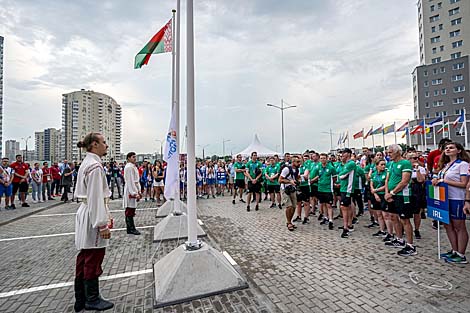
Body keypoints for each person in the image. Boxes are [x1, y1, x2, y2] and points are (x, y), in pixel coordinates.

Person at [73, 132, 114, 311]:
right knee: (93, 257)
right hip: (92, 213)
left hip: (86, 210)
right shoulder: (95, 166)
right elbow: (96, 197)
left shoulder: (88, 163)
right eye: (104, 142)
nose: (107, 145)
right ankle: (92, 298)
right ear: (94, 145)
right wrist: (102, 224)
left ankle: (81, 299)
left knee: (85, 256)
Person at [433, 142, 469, 264]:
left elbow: (464, 184)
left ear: (459, 150)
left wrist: (444, 181)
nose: (448, 149)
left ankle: (461, 254)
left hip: (457, 198)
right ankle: (454, 250)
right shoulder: (446, 165)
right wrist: (436, 180)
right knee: (448, 225)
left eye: (451, 148)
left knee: (459, 227)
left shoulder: (463, 164)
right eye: (446, 148)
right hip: (444, 199)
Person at [385, 144, 416, 256]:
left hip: (403, 195)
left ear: (398, 152)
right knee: (393, 217)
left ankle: (410, 245)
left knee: (405, 220)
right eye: (388, 153)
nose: (388, 155)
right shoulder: (391, 163)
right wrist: (387, 193)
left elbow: (404, 181)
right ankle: (399, 239)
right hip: (392, 195)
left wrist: (392, 193)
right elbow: (387, 179)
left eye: (390, 152)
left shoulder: (405, 163)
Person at [310, 153, 337, 230]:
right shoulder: (318, 167)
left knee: (329, 205)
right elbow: (316, 175)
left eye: (324, 158)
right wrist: (312, 180)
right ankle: (325, 217)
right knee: (323, 204)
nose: (322, 160)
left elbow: (335, 178)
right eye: (321, 158)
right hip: (320, 188)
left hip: (328, 189)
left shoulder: (331, 168)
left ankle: (331, 220)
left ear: (327, 158)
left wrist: (332, 184)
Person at [338, 148, 356, 238]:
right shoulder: (346, 164)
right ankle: (348, 225)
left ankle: (346, 228)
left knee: (344, 207)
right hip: (343, 188)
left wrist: (340, 176)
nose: (341, 156)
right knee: (346, 207)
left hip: (347, 189)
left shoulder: (351, 164)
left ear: (348, 154)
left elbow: (341, 176)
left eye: (343, 154)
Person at [279, 155, 300, 231]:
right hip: (285, 189)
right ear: (293, 162)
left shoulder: (297, 169)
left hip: (292, 189)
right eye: (297, 162)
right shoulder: (286, 169)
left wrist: (299, 180)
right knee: (289, 206)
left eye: (299, 161)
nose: (299, 163)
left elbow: (297, 177)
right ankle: (288, 222)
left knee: (294, 206)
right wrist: (289, 181)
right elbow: (280, 180)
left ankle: (290, 221)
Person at [123, 152, 141, 235]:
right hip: (130, 189)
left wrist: (139, 190)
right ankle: (131, 228)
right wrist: (134, 193)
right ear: (128, 158)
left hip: (133, 188)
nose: (135, 158)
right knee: (129, 210)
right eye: (133, 157)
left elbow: (136, 180)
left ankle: (130, 228)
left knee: (131, 209)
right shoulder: (129, 167)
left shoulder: (133, 166)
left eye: (135, 157)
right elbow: (130, 181)